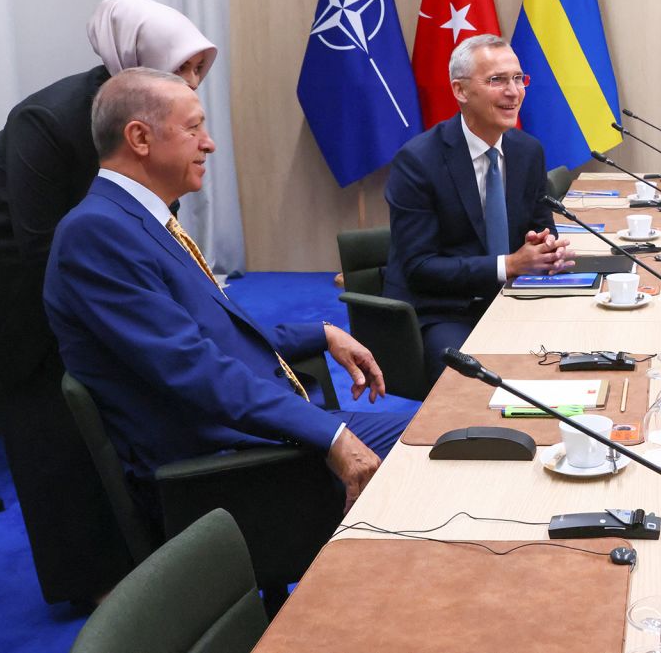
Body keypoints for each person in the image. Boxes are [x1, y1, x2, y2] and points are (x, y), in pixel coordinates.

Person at [0, 0, 217, 604]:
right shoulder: (49, 117)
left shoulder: (148, 117)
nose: (191, 82)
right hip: (3, 290)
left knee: (100, 419)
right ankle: (86, 588)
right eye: (182, 67)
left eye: (197, 69)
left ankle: (130, 559)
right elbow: (39, 245)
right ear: (138, 56)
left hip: (72, 276)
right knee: (50, 432)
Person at [43, 68, 412, 518]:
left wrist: (322, 333)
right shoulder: (98, 233)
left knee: (449, 437)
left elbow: (215, 333)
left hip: (247, 432)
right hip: (220, 463)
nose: (209, 143)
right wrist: (330, 436)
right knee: (436, 445)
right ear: (139, 137)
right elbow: (192, 367)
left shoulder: (136, 220)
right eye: (194, 127)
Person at [383, 35, 573, 381]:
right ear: (460, 90)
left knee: (577, 352)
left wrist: (546, 249)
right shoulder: (418, 161)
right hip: (445, 310)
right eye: (496, 80)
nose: (513, 92)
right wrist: (510, 264)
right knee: (466, 383)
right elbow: (419, 267)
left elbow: (542, 225)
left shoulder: (527, 151)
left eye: (518, 79)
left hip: (514, 298)